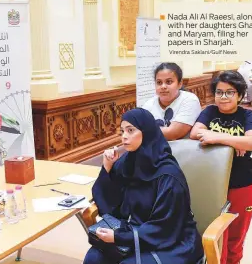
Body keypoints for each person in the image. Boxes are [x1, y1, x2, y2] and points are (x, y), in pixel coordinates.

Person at [84, 108, 204, 264]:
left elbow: (166, 226)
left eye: (131, 130)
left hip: (172, 240)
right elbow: (109, 201)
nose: (124, 136)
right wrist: (107, 167)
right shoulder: (128, 161)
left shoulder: (168, 175)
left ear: (146, 132)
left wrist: (119, 237)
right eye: (122, 131)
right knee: (93, 258)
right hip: (135, 231)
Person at [190, 71, 252, 264]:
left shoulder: (247, 115)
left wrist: (216, 138)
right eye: (219, 92)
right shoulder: (209, 112)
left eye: (230, 92)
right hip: (212, 187)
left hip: (242, 185)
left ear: (239, 95)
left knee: (235, 239)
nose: (223, 97)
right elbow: (195, 133)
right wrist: (235, 142)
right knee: (214, 236)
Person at [142, 62, 201, 140]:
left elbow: (172, 133)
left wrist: (143, 131)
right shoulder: (148, 105)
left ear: (180, 84)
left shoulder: (190, 100)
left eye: (169, 82)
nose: (163, 86)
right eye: (159, 82)